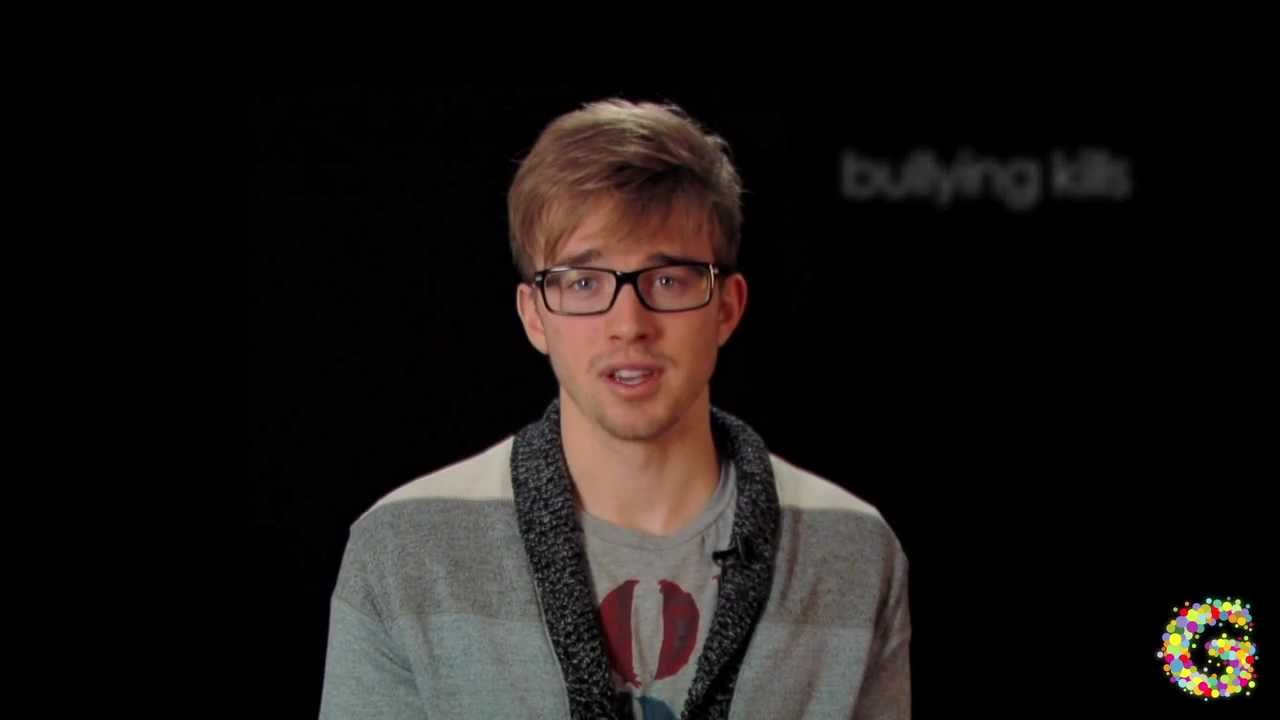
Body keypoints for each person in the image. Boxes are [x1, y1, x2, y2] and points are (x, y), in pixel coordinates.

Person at [319, 98, 911, 719]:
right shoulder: (405, 546)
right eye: (583, 282)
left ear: (727, 309)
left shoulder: (856, 551)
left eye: (668, 280)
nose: (629, 325)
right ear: (533, 315)